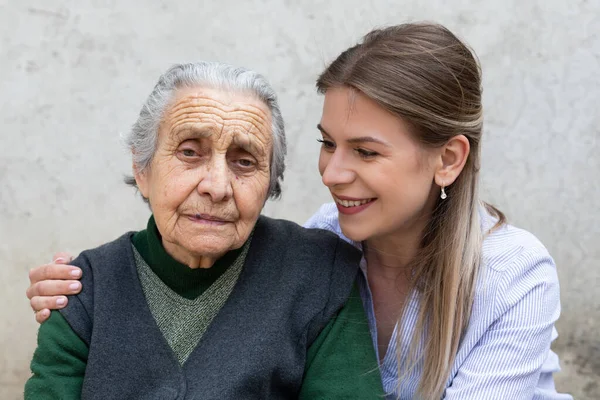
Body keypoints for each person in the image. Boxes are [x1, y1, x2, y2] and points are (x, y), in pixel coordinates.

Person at [26, 23, 572, 399]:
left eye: (366, 151)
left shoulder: (510, 274)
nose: (332, 173)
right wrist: (77, 291)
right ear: (141, 168)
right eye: (327, 143)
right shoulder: (320, 243)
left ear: (447, 159)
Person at [23, 62, 384, 399]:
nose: (217, 186)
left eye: (244, 161)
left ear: (269, 183)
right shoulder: (82, 293)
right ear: (143, 169)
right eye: (190, 153)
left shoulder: (319, 275)